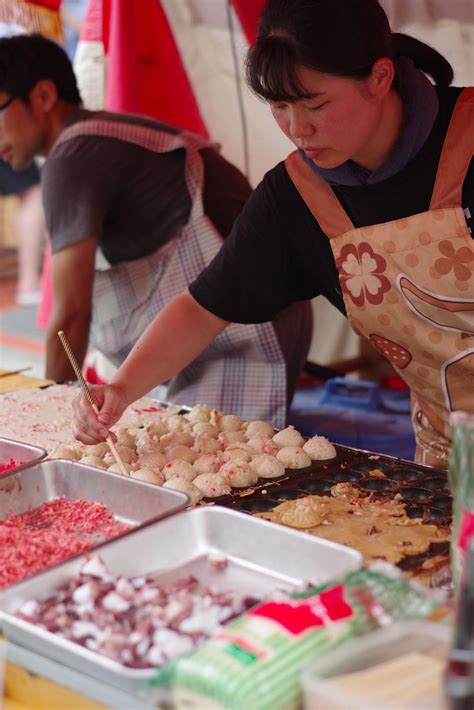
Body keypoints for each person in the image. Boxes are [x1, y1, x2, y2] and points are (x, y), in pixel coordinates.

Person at [73, 0, 473, 469]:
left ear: (379, 78)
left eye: (315, 104)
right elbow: (203, 307)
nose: (297, 129)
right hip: (452, 459)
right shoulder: (298, 196)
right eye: (279, 107)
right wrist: (119, 389)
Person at [0, 32, 312, 425]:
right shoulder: (99, 138)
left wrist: (47, 422)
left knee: (219, 471)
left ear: (43, 96)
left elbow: (71, 314)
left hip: (246, 327)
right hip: (214, 330)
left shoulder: (74, 156)